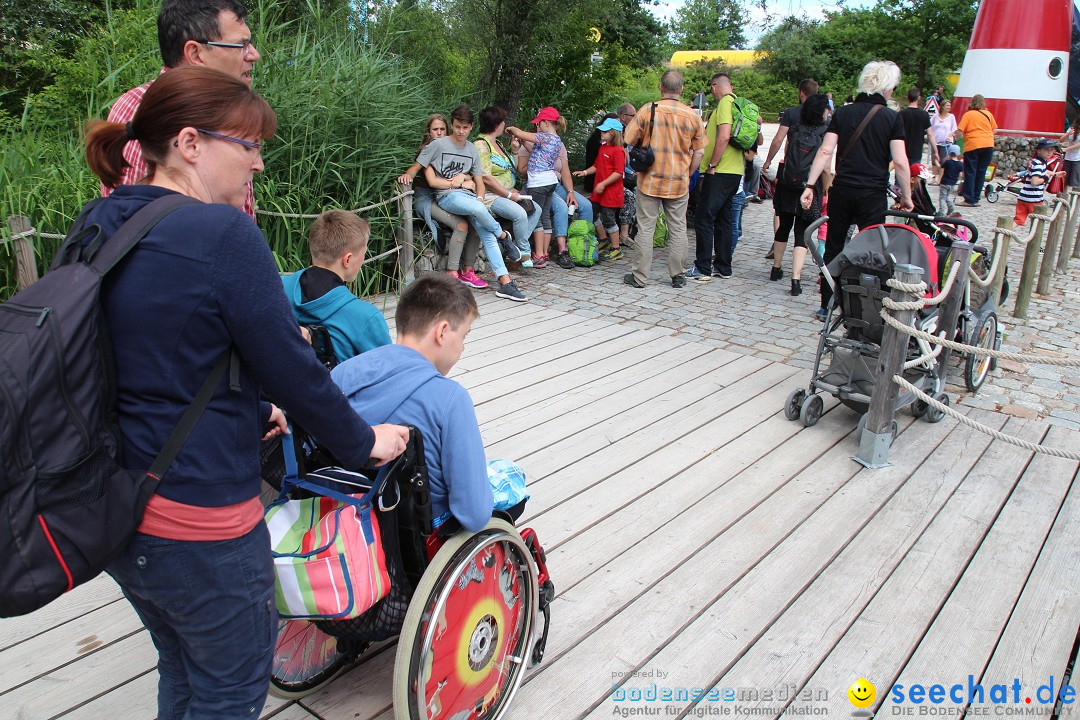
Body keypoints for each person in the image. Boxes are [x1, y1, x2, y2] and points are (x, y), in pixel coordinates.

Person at [83, 66, 409, 720]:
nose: (259, 164)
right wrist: (363, 439)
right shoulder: (224, 234)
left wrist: (254, 409)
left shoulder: (102, 219)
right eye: (250, 145)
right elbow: (293, 367)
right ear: (190, 144)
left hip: (115, 510)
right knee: (230, 692)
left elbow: (141, 346)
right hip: (199, 519)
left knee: (182, 667)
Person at [332, 274, 529, 533]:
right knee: (512, 476)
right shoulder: (450, 398)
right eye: (464, 336)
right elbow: (473, 515)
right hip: (418, 535)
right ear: (443, 332)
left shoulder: (342, 373)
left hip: (348, 513)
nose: (462, 348)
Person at [103, 0, 260, 219]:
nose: (254, 55)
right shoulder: (195, 124)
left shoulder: (129, 102)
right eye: (241, 45)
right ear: (195, 53)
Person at [801, 60, 913, 320]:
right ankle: (865, 305)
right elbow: (900, 162)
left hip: (843, 189)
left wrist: (810, 184)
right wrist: (906, 197)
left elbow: (826, 151)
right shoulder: (891, 118)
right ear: (887, 88)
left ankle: (827, 302)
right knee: (873, 251)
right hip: (872, 194)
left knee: (833, 246)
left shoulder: (843, 112)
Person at [419, 104, 527, 302]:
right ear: (452, 125)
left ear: (470, 127)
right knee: (481, 211)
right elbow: (421, 167)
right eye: (458, 126)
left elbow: (479, 180)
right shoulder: (437, 145)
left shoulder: (471, 149)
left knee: (486, 232)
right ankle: (503, 234)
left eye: (465, 127)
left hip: (469, 197)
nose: (461, 131)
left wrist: (478, 194)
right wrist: (408, 175)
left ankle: (505, 282)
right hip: (448, 197)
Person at [623, 70, 706, 288]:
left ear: (661, 87)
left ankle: (640, 277)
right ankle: (677, 275)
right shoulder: (692, 116)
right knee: (678, 228)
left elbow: (628, 138)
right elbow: (699, 151)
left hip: (649, 180)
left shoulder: (648, 110)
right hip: (678, 181)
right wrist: (688, 173)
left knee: (646, 228)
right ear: (681, 89)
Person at [280, 210, 392, 364]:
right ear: (347, 260)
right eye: (364, 253)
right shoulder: (366, 318)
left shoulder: (277, 287)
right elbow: (386, 377)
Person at [398, 115, 487, 289]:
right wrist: (407, 175)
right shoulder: (428, 150)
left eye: (442, 129)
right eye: (435, 129)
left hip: (448, 195)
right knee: (461, 225)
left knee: (476, 222)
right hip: (428, 198)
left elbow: (467, 171)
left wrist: (465, 177)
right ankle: (451, 272)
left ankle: (468, 270)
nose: (439, 133)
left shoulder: (454, 148)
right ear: (428, 132)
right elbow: (430, 180)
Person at [771, 93, 830, 297]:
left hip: (788, 184)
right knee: (802, 233)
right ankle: (795, 279)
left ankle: (776, 267)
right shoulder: (824, 133)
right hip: (810, 188)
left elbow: (787, 157)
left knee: (784, 226)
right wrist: (825, 188)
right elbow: (826, 167)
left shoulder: (795, 130)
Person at [689, 73, 745, 281]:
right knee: (724, 219)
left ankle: (703, 267)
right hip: (736, 171)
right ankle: (724, 266)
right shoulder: (740, 104)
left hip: (719, 171)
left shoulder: (724, 105)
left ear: (714, 88)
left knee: (704, 218)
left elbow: (724, 136)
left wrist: (712, 164)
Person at [474, 105, 540, 265]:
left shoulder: (498, 144)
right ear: (496, 124)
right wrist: (509, 195)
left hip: (508, 191)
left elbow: (513, 169)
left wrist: (515, 151)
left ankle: (513, 246)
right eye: (502, 121)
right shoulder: (481, 145)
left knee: (536, 210)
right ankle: (523, 252)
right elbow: (486, 178)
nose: (504, 124)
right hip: (492, 195)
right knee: (520, 214)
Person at [506, 107, 568, 262]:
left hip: (538, 183)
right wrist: (523, 142)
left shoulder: (545, 136)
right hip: (550, 181)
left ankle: (538, 254)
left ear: (546, 123)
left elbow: (519, 132)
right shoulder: (556, 140)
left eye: (539, 124)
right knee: (545, 216)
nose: (537, 127)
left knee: (536, 215)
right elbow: (536, 151)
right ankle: (545, 253)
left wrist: (511, 128)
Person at [574, 117, 626, 260]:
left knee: (609, 219)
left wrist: (603, 184)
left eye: (605, 131)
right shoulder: (603, 147)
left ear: (614, 133)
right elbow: (596, 166)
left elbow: (618, 172)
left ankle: (616, 248)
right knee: (594, 213)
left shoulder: (618, 151)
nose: (601, 133)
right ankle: (603, 240)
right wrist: (584, 172)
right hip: (599, 192)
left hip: (610, 193)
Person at [955, 93, 998, 207]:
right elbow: (994, 130)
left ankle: (969, 199)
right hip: (988, 145)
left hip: (973, 145)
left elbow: (960, 131)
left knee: (970, 172)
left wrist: (954, 138)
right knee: (981, 172)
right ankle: (976, 197)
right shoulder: (988, 114)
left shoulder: (968, 115)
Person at [1014, 138, 1064, 228]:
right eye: (1046, 150)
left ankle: (1002, 236)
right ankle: (1034, 240)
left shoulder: (1036, 162)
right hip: (1034, 199)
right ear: (1039, 151)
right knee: (1038, 222)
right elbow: (1034, 182)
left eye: (1051, 150)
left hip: (1023, 197)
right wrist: (1046, 178)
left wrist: (1055, 174)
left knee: (1018, 220)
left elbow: (1044, 171)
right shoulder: (1040, 164)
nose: (1049, 152)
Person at [899, 87, 934, 169]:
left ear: (907, 98)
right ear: (919, 98)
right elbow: (930, 134)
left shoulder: (901, 114)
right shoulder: (924, 114)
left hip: (902, 149)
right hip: (917, 151)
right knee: (914, 175)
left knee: (900, 176)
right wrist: (935, 151)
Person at [930, 99, 957, 184]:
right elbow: (930, 127)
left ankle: (940, 179)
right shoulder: (935, 117)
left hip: (945, 143)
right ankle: (933, 178)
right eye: (947, 105)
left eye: (949, 105)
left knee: (943, 160)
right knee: (934, 160)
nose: (949, 107)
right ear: (942, 106)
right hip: (935, 141)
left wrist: (949, 136)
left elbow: (954, 128)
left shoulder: (951, 117)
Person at [938, 144, 963, 214]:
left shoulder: (947, 162)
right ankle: (951, 207)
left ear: (949, 153)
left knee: (942, 197)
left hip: (944, 182)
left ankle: (942, 212)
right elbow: (960, 175)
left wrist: (939, 180)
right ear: (958, 153)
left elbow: (941, 171)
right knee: (948, 196)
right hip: (952, 183)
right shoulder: (960, 164)